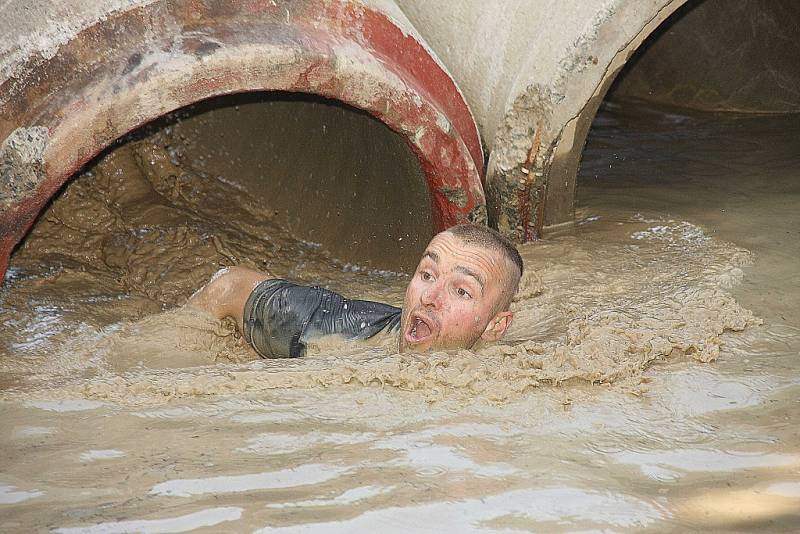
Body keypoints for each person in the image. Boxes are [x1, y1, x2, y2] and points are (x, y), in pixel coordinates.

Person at [188, 223, 523, 357]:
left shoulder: (518, 376)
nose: (429, 297)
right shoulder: (334, 334)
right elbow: (228, 286)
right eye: (427, 274)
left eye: (461, 291)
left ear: (496, 326)